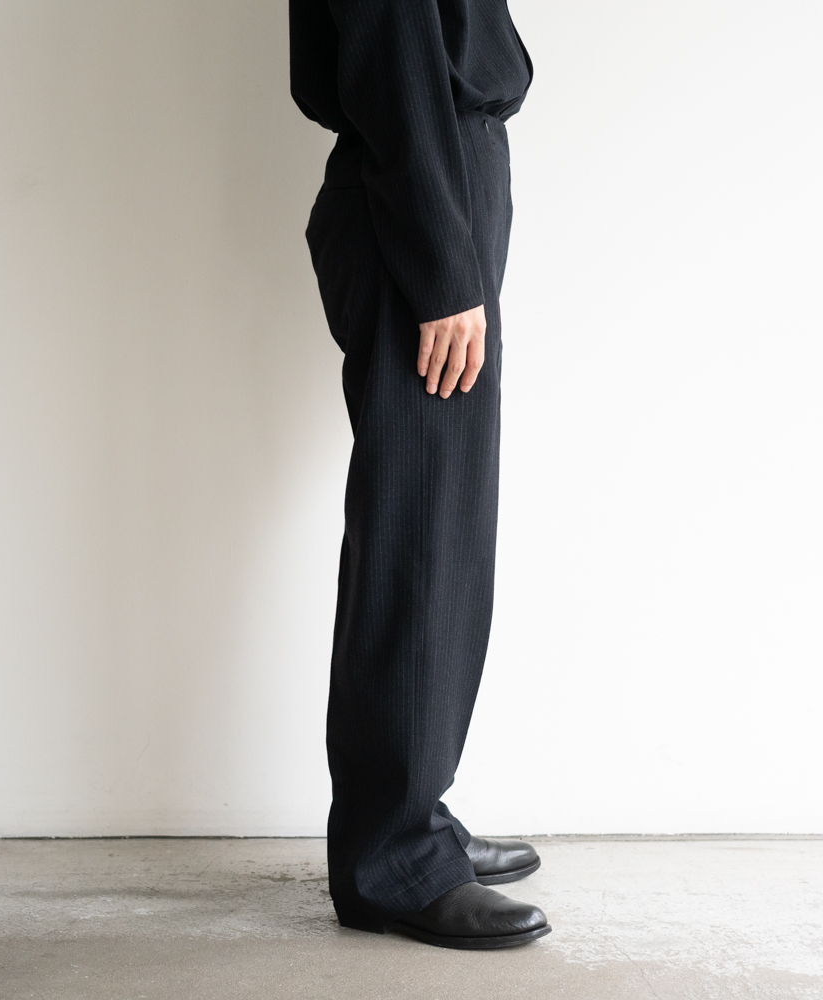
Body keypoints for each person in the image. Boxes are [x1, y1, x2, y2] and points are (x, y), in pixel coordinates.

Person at [290, 0, 549, 950]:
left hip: (438, 177)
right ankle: (392, 856)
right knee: (422, 534)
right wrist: (443, 263)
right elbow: (392, 45)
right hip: (418, 193)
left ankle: (410, 817)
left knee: (442, 524)